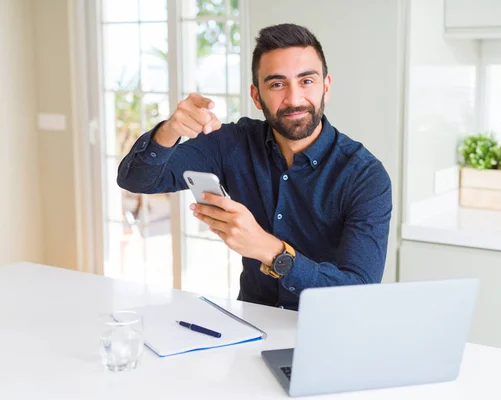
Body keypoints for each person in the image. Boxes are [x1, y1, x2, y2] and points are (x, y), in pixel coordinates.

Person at [117, 23, 392, 310]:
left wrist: (269, 250)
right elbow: (137, 180)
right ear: (256, 96)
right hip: (250, 324)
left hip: (329, 329)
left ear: (326, 86)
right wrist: (170, 129)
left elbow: (360, 292)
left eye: (306, 81)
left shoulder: (365, 176)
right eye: (277, 84)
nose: (294, 98)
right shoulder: (233, 143)